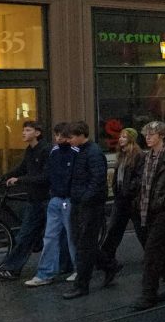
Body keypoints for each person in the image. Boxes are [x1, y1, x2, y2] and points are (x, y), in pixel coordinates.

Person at [132, 121, 165, 310]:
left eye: (152, 134)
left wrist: (160, 202)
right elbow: (141, 182)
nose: (148, 137)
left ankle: (148, 293)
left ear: (161, 136)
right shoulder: (146, 158)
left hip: (164, 211)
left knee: (152, 252)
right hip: (146, 210)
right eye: (146, 134)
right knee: (162, 249)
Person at [0, 121, 51, 280]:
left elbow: (44, 177)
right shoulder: (30, 150)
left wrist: (20, 180)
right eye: (23, 130)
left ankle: (12, 269)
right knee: (28, 234)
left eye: (28, 130)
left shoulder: (45, 150)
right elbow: (21, 168)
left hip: (45, 198)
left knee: (26, 235)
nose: (23, 133)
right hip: (34, 198)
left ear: (37, 133)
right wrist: (3, 177)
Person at [25, 123, 78, 287]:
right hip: (56, 197)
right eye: (56, 135)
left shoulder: (75, 152)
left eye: (61, 136)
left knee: (71, 237)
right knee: (50, 237)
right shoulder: (54, 152)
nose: (58, 138)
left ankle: (79, 269)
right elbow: (50, 173)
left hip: (67, 198)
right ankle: (46, 273)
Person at [62, 122, 109, 300]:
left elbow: (97, 179)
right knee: (82, 242)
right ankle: (109, 265)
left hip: (89, 205)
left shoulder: (93, 152)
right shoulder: (81, 151)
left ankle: (82, 284)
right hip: (80, 202)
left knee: (84, 245)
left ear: (81, 135)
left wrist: (85, 198)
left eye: (72, 137)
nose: (69, 141)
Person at [96, 128, 144, 286]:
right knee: (113, 232)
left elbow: (139, 177)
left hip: (132, 201)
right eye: (120, 136)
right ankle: (109, 264)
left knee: (143, 233)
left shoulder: (138, 155)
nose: (121, 139)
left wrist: (129, 190)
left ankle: (157, 263)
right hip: (120, 200)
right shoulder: (121, 155)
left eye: (124, 136)